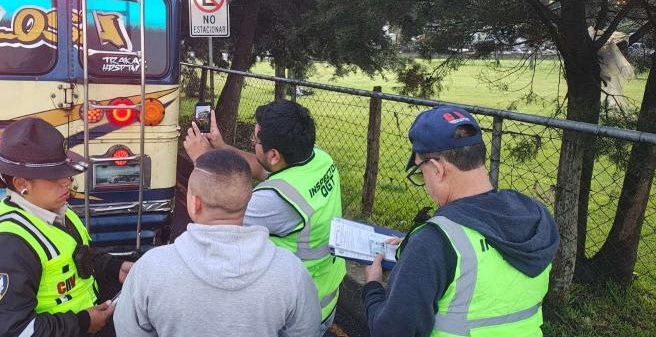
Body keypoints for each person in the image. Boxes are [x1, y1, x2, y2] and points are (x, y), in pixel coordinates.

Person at [362, 105, 560, 337]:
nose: (424, 185)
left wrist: (373, 287)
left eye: (420, 173)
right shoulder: (536, 216)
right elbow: (485, 249)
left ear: (437, 169)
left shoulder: (433, 242)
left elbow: (389, 332)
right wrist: (415, 248)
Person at [113, 149, 321, 336]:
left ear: (195, 203)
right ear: (248, 200)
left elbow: (127, 329)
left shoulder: (150, 269)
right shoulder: (290, 271)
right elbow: (306, 329)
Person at [184, 100, 346, 334]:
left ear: (274, 154)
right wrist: (221, 147)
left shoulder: (276, 201)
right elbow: (261, 168)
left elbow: (213, 213)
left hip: (294, 311)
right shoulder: (317, 157)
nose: (252, 141)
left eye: (256, 139)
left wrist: (202, 160)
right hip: (325, 292)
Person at [0, 117, 132, 337]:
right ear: (22, 184)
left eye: (64, 171)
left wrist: (114, 267)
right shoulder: (6, 247)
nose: (67, 181)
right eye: (53, 176)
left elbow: (73, 255)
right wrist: (83, 323)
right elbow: (11, 331)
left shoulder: (55, 208)